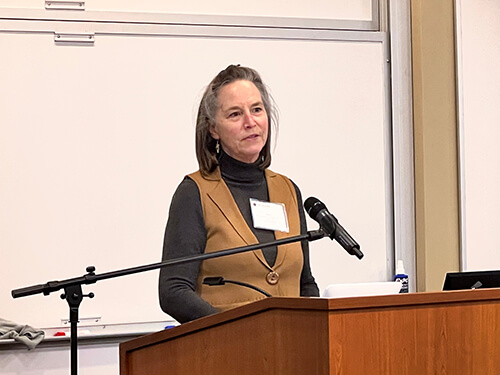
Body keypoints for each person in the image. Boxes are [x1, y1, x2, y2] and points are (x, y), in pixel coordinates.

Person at [158, 64, 319, 323]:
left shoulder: (288, 190)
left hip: (290, 351)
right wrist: (235, 332)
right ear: (213, 129)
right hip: (225, 351)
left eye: (257, 109)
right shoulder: (194, 193)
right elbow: (173, 292)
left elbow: (305, 283)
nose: (250, 122)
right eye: (235, 114)